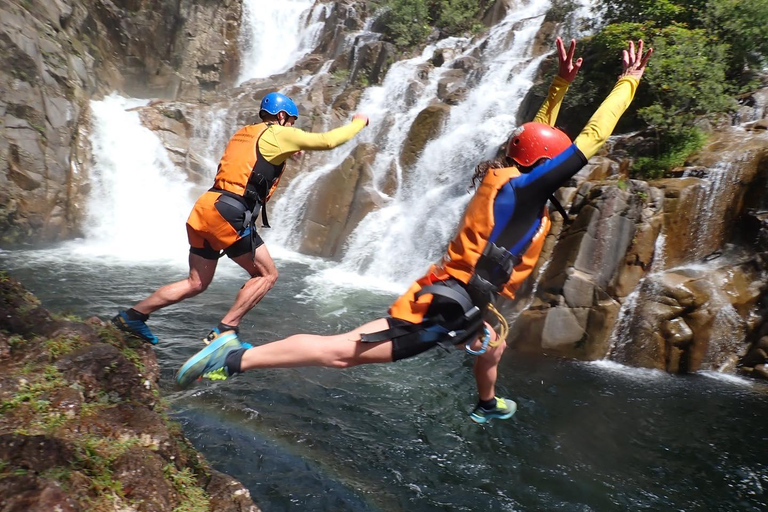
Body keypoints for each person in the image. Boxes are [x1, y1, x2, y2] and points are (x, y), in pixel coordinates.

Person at [176, 39, 653, 424]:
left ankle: (486, 404)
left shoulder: (506, 175)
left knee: (492, 339)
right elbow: (591, 137)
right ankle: (230, 358)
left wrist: (561, 84)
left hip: (449, 292)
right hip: (450, 304)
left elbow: (536, 135)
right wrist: (628, 82)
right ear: (546, 168)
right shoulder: (528, 191)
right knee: (342, 353)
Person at [112, 92, 370, 345]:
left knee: (196, 282)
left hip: (206, 208)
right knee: (267, 275)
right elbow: (327, 141)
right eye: (291, 122)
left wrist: (288, 151)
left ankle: (132, 317)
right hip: (229, 214)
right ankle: (226, 330)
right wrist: (359, 121)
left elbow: (251, 160)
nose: (292, 127)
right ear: (281, 116)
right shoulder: (279, 133)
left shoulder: (244, 133)